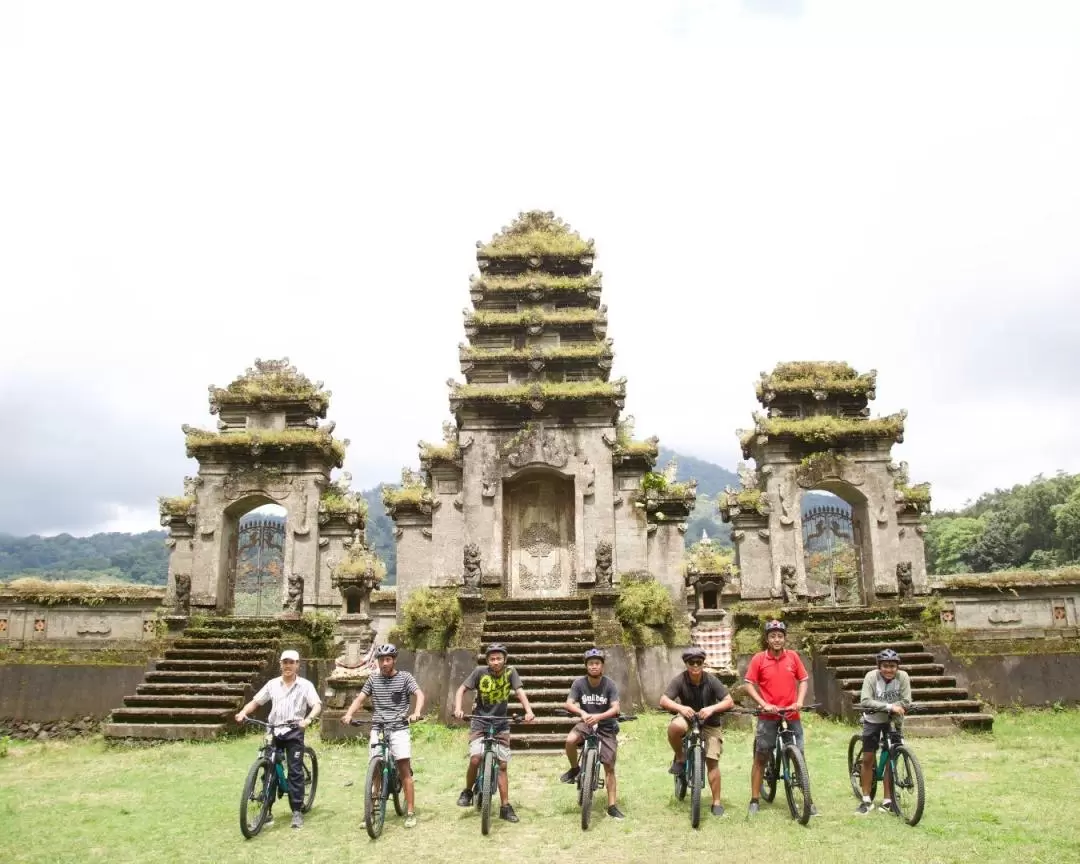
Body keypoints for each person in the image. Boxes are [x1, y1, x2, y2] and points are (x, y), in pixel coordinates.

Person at [235, 648, 322, 829]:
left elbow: (316, 705)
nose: (288, 666)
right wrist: (243, 712)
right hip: (274, 729)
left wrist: (308, 720)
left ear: (298, 665)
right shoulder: (272, 684)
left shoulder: (305, 685)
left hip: (294, 730)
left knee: (295, 771)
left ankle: (297, 811)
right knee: (268, 768)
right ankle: (266, 810)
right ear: (281, 664)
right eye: (285, 662)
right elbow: (257, 701)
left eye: (291, 662)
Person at [342, 643, 425, 828]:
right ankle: (371, 810)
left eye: (388, 659)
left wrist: (416, 712)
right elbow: (360, 698)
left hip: (399, 727)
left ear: (394, 660)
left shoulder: (405, 678)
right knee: (376, 769)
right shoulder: (373, 679)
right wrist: (349, 714)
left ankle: (410, 811)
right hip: (378, 727)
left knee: (404, 769)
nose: (384, 663)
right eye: (381, 660)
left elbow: (419, 694)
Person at [453, 642, 536, 823]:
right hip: (480, 722)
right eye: (492, 659)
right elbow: (461, 689)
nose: (495, 662)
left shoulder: (510, 672)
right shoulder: (479, 672)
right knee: (475, 758)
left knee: (502, 765)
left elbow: (520, 692)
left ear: (504, 660)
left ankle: (505, 807)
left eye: (499, 658)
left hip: (500, 723)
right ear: (487, 660)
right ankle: (467, 791)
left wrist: (528, 711)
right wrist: (459, 708)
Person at [743, 619, 811, 817]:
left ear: (785, 638)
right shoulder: (758, 659)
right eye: (772, 636)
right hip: (768, 715)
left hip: (791, 714)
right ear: (767, 639)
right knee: (761, 756)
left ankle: (807, 799)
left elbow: (804, 680)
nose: (777, 639)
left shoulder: (793, 657)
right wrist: (763, 703)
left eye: (780, 636)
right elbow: (748, 684)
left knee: (799, 755)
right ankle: (755, 799)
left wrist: (799, 701)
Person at [658, 646, 735, 817]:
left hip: (710, 723)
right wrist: (681, 707)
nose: (695, 666)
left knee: (712, 761)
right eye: (691, 662)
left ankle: (716, 802)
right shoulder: (680, 680)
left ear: (703, 664)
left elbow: (729, 701)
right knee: (675, 727)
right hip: (688, 719)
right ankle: (680, 757)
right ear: (686, 664)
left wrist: (712, 709)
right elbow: (663, 699)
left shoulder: (711, 680)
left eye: (698, 662)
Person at [560, 647, 626, 820]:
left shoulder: (609, 684)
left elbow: (616, 708)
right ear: (586, 666)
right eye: (591, 663)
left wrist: (599, 717)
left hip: (606, 726)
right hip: (586, 723)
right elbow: (569, 703)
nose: (594, 666)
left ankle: (612, 805)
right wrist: (583, 713)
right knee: (570, 740)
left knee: (609, 766)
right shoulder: (579, 683)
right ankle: (575, 769)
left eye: (597, 663)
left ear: (602, 666)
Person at [855, 648, 913, 815]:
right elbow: (865, 700)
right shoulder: (871, 677)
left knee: (891, 759)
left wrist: (897, 708)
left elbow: (906, 700)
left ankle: (888, 800)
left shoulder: (903, 677)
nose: (889, 670)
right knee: (868, 758)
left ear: (897, 667)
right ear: (879, 666)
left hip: (893, 721)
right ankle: (866, 799)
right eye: (885, 666)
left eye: (893, 666)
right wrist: (889, 706)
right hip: (873, 720)